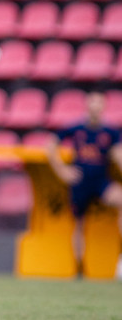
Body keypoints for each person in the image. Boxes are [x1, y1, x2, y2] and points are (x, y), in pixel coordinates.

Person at [46, 91, 122, 275]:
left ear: (103, 106)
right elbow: (50, 147)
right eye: (92, 102)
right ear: (87, 105)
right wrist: (62, 171)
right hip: (80, 182)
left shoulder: (110, 132)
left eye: (99, 103)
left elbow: (118, 154)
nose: (95, 107)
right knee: (79, 224)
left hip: (101, 181)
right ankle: (80, 268)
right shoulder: (75, 128)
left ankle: (120, 260)